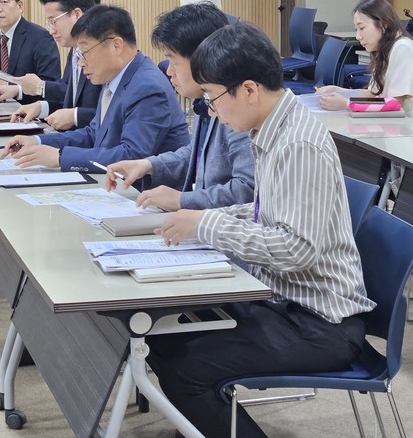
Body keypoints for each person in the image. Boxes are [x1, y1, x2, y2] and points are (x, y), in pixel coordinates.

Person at [147, 22, 375, 438]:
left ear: (249, 90)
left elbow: (296, 249)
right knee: (163, 337)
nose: (211, 110)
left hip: (319, 322)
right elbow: (262, 210)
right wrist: (200, 221)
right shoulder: (272, 127)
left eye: (214, 97)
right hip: (283, 301)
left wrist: (208, 223)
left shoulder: (296, 144)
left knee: (185, 370)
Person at [0, 5, 189, 171]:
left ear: (116, 46)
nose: (81, 63)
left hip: (146, 194)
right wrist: (38, 141)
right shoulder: (115, 77)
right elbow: (93, 134)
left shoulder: (147, 87)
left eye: (85, 53)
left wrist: (60, 157)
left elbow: (132, 155)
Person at [105, 2, 254, 212]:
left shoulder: (234, 105)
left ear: (203, 57)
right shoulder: (205, 98)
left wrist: (182, 200)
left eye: (174, 61)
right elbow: (197, 154)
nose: (169, 72)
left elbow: (248, 190)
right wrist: (147, 165)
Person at [0, 0, 103, 113]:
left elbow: (104, 113)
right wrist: (41, 107)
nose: (52, 30)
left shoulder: (100, 48)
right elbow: (69, 96)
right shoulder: (74, 46)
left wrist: (41, 87)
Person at [317, 0, 413, 122]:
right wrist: (339, 91)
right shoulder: (384, 49)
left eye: (362, 28)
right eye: (356, 29)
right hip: (396, 124)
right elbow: (373, 94)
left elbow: (395, 103)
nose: (358, 36)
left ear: (383, 24)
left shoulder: (402, 47)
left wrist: (347, 104)